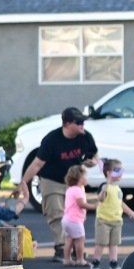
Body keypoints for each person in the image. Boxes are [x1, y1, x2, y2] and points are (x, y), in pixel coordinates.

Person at [21, 108, 98, 257]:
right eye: (79, 122)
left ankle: (76, 247)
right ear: (67, 123)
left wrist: (92, 162)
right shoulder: (51, 140)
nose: (83, 124)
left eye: (83, 121)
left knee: (75, 214)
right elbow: (37, 164)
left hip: (74, 182)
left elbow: (95, 155)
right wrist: (24, 182)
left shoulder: (85, 137)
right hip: (51, 180)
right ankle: (62, 247)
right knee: (56, 213)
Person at [92, 158, 134, 269]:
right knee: (101, 243)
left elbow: (120, 203)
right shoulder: (104, 186)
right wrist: (103, 191)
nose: (120, 173)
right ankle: (96, 262)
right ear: (108, 173)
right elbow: (100, 199)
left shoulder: (117, 189)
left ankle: (113, 262)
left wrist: (129, 211)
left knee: (114, 243)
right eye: (117, 170)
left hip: (116, 220)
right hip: (103, 220)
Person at [60, 162, 90, 267]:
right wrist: (94, 206)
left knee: (69, 239)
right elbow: (81, 204)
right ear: (79, 178)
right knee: (80, 240)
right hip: (74, 220)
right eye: (85, 176)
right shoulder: (78, 190)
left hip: (66, 219)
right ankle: (80, 259)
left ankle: (67, 259)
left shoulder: (70, 189)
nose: (87, 178)